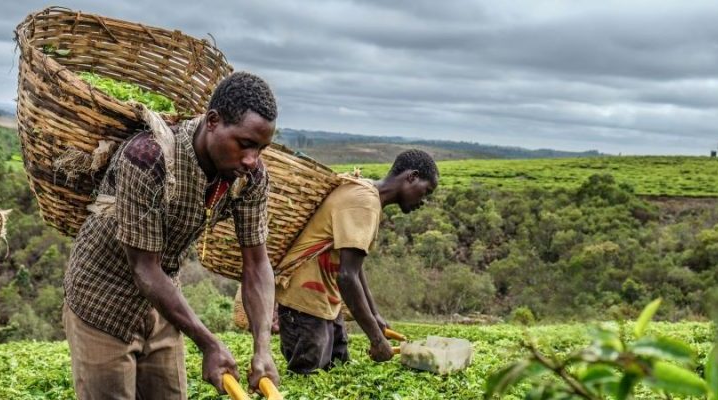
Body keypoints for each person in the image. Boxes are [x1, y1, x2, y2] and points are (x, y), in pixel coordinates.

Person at [62, 71, 279, 398]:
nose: (252, 159)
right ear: (213, 121)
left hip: (162, 303)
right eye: (245, 144)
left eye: (261, 148)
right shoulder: (149, 158)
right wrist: (209, 343)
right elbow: (144, 267)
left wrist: (263, 349)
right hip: (102, 298)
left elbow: (257, 265)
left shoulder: (249, 177)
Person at [275, 149, 439, 373]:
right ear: (411, 176)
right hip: (304, 299)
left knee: (338, 369)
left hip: (325, 300)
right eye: (426, 191)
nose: (424, 201)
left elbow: (355, 268)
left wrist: (375, 317)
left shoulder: (368, 196)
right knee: (307, 377)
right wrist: (376, 339)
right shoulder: (364, 203)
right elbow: (347, 277)